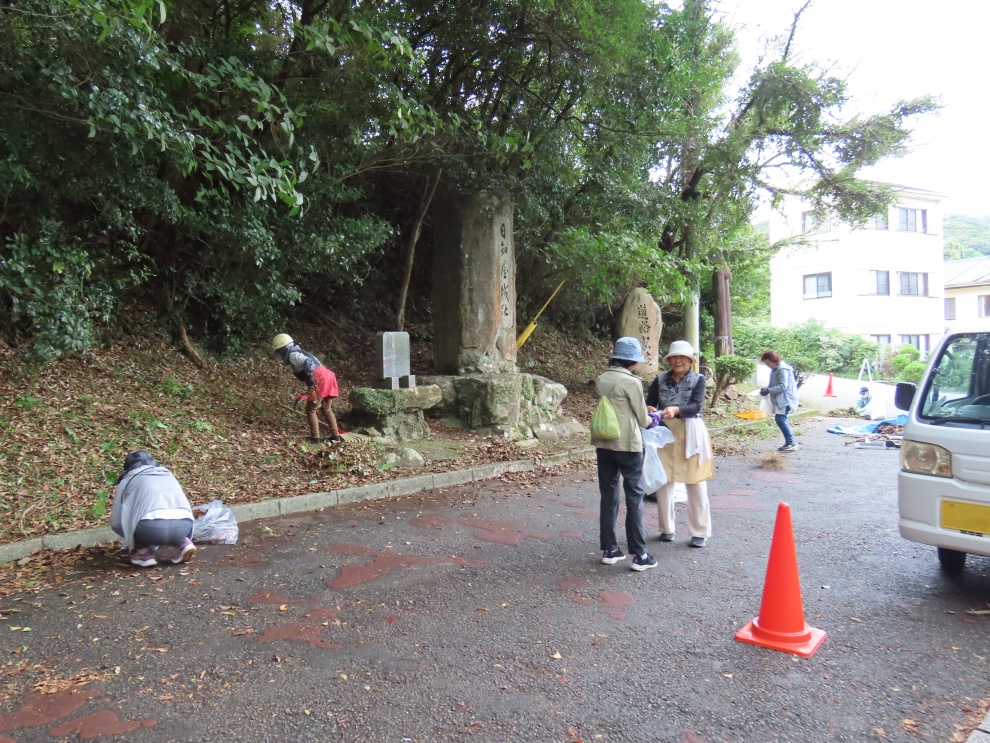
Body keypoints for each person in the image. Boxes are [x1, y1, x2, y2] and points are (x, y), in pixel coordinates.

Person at [592, 337, 661, 572]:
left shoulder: (602, 379)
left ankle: (609, 549)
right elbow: (642, 419)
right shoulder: (632, 382)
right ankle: (640, 554)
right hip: (629, 446)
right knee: (634, 496)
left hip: (604, 443)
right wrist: (656, 417)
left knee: (608, 495)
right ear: (633, 360)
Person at [645, 340, 713, 548]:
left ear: (690, 360)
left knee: (695, 480)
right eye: (674, 357)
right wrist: (649, 409)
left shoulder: (698, 379)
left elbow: (696, 406)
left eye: (682, 357)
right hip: (664, 433)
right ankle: (667, 529)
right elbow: (651, 401)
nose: (677, 360)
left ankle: (699, 531)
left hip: (691, 432)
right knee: (664, 481)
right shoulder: (660, 379)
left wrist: (676, 410)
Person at [110, 451, 196, 567]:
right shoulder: (167, 474)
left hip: (150, 529)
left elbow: (116, 523)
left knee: (134, 521)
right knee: (169, 517)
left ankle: (143, 553)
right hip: (184, 526)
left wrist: (129, 540)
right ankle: (183, 543)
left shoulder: (128, 479)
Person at [271, 333, 342, 443]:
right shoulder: (300, 352)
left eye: (279, 351)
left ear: (283, 348)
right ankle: (335, 436)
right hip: (328, 376)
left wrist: (310, 378)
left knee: (311, 409)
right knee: (326, 408)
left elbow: (308, 363)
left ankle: (315, 438)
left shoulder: (292, 355)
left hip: (319, 378)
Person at [759, 350, 800, 452]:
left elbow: (783, 386)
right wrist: (766, 389)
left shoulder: (782, 369)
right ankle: (790, 442)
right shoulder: (775, 369)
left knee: (780, 419)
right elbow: (773, 384)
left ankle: (791, 442)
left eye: (768, 363)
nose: (768, 365)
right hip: (780, 399)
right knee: (780, 419)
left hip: (786, 399)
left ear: (773, 360)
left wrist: (769, 390)